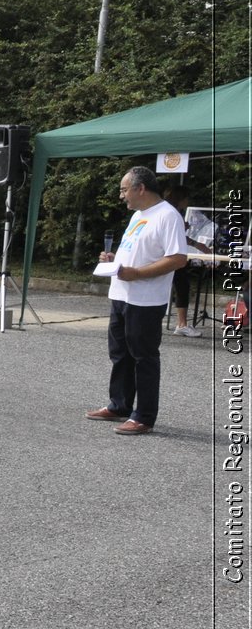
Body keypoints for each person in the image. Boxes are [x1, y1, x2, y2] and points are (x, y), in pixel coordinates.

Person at [86, 166, 188, 435]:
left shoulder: (168, 215)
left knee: (144, 357)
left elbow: (178, 258)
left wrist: (138, 273)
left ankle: (143, 416)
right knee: (120, 354)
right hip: (120, 295)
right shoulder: (138, 216)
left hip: (145, 300)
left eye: (123, 189)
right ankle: (119, 405)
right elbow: (134, 250)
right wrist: (113, 261)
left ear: (140, 188)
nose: (121, 196)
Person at [166, 185, 209, 337]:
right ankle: (181, 324)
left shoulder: (169, 210)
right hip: (170, 254)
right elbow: (175, 236)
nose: (188, 201)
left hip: (169, 253)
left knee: (178, 285)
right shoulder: (172, 212)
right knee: (181, 285)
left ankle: (181, 323)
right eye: (186, 198)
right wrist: (197, 244)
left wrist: (196, 243)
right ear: (181, 198)